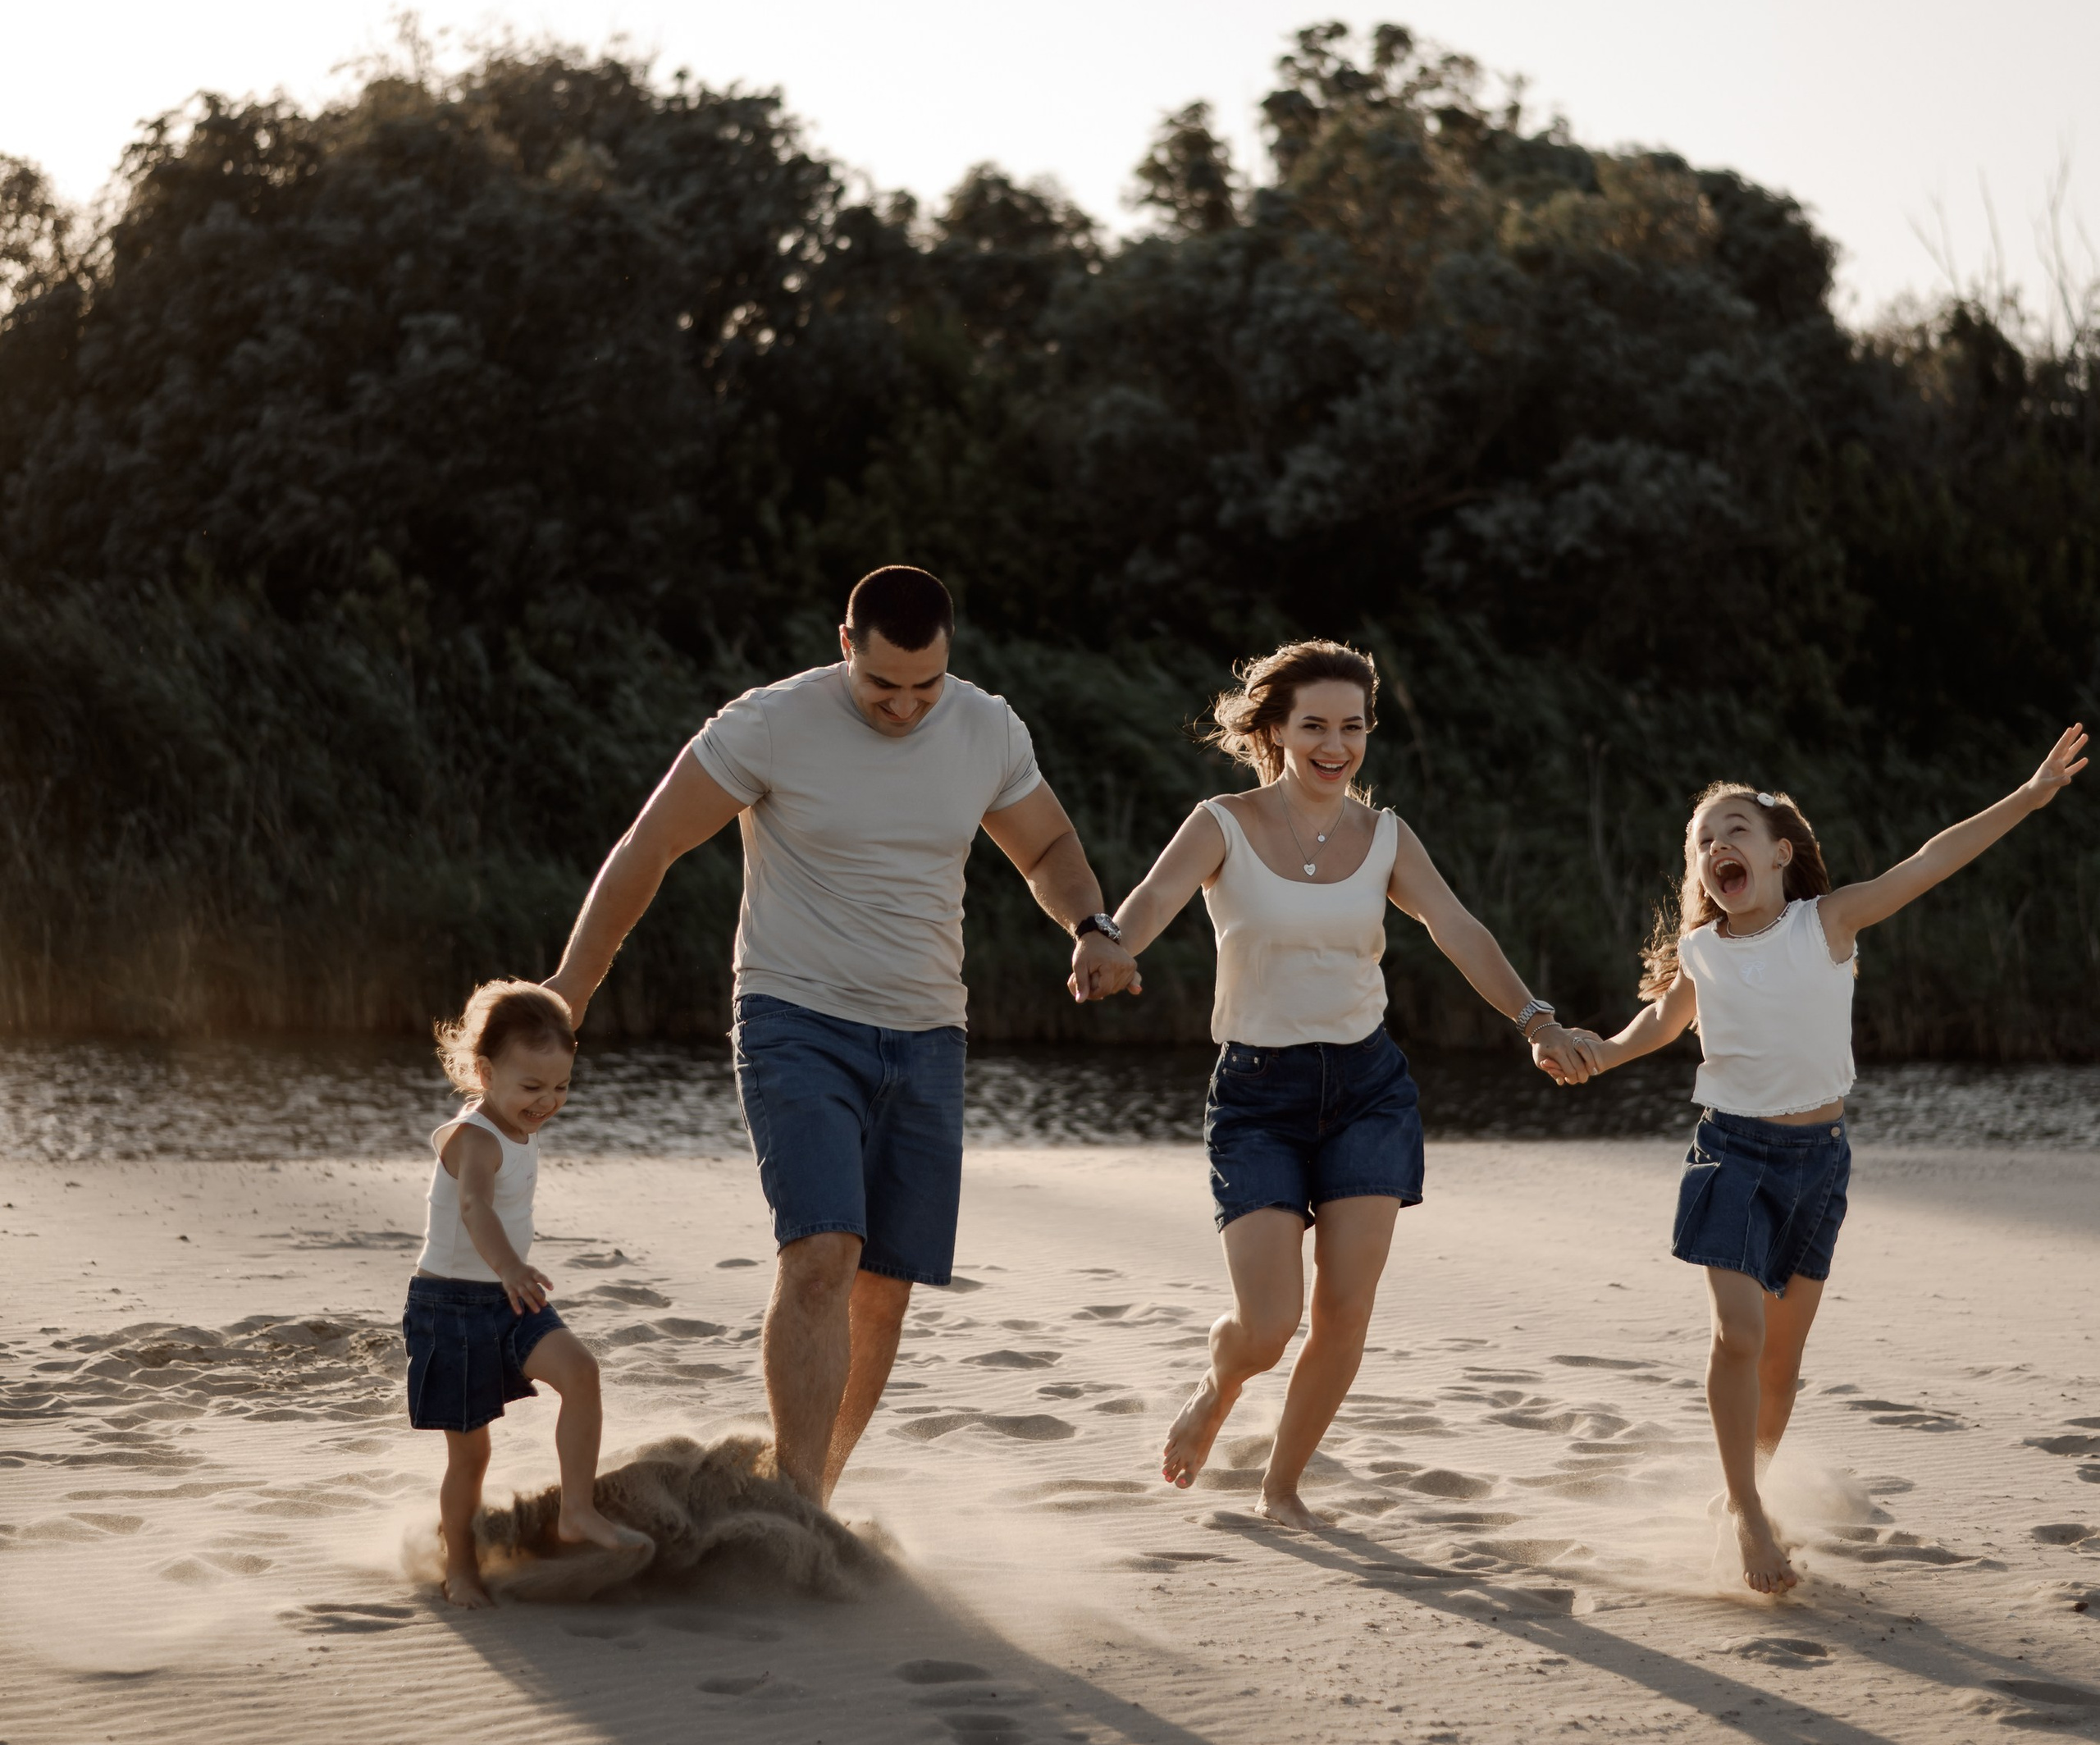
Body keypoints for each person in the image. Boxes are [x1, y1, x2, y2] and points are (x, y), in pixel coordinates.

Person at [546, 565, 1137, 1505]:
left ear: (949, 661)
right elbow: (647, 846)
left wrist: (1091, 926)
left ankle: (808, 1494)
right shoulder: (768, 724)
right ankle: (792, 1513)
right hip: (794, 1015)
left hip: (928, 1033)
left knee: (884, 1284)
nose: (904, 707)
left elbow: (1047, 848)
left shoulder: (987, 727)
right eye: (881, 686)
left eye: (925, 687)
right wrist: (571, 988)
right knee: (822, 1251)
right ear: (844, 646)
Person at [1076, 640, 1600, 1528]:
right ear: (1274, 730)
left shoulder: (1384, 836)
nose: (1335, 745)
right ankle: (1218, 1385)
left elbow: (1458, 929)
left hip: (1367, 1090)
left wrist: (1535, 1020)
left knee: (1344, 1312)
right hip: (1255, 1098)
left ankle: (1283, 1486)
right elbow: (1154, 898)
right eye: (1314, 725)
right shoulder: (1222, 822)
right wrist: (1111, 945)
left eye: (1351, 727)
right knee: (1268, 1325)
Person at [1575, 727, 2088, 1595]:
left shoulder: (1827, 923)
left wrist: (2028, 796)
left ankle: (1749, 1484)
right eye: (1702, 841)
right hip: (1730, 1153)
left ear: (1779, 853)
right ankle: (1746, 1514)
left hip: (1818, 1163)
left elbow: (1928, 862)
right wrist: (1592, 1051)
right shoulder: (1699, 954)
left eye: (1732, 830)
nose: (1715, 848)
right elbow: (1654, 1030)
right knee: (1736, 1336)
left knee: (1779, 1363)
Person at [404, 980, 642, 1609]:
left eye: (561, 1087)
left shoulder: (519, 1121)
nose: (547, 1102)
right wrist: (510, 1266)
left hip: (507, 1296)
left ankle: (577, 1511)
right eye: (532, 1088)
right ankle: (460, 1565)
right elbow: (475, 1206)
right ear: (484, 1073)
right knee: (471, 1454)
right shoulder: (475, 1137)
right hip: (451, 1305)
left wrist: (510, 1276)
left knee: (581, 1373)